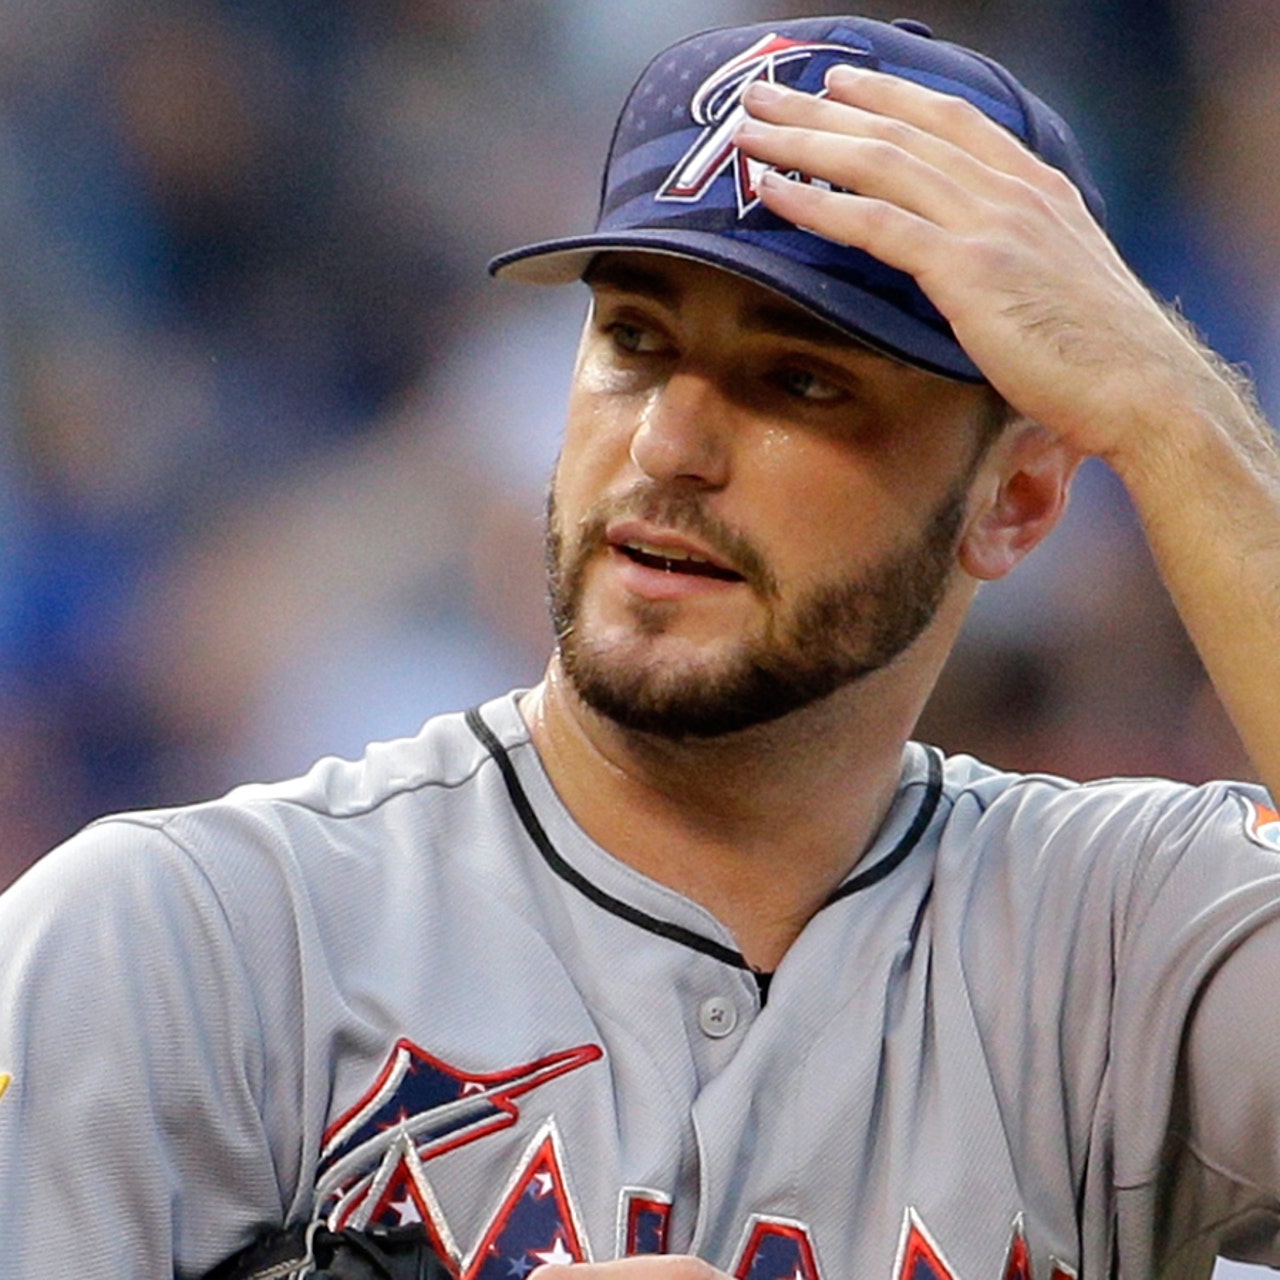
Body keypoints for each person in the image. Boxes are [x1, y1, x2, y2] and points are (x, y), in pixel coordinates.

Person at [2, 13, 1279, 1280]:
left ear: (1014, 499)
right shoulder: (181, 940)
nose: (668, 444)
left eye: (799, 380)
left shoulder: (1128, 943)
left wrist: (1172, 413)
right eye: (634, 339)